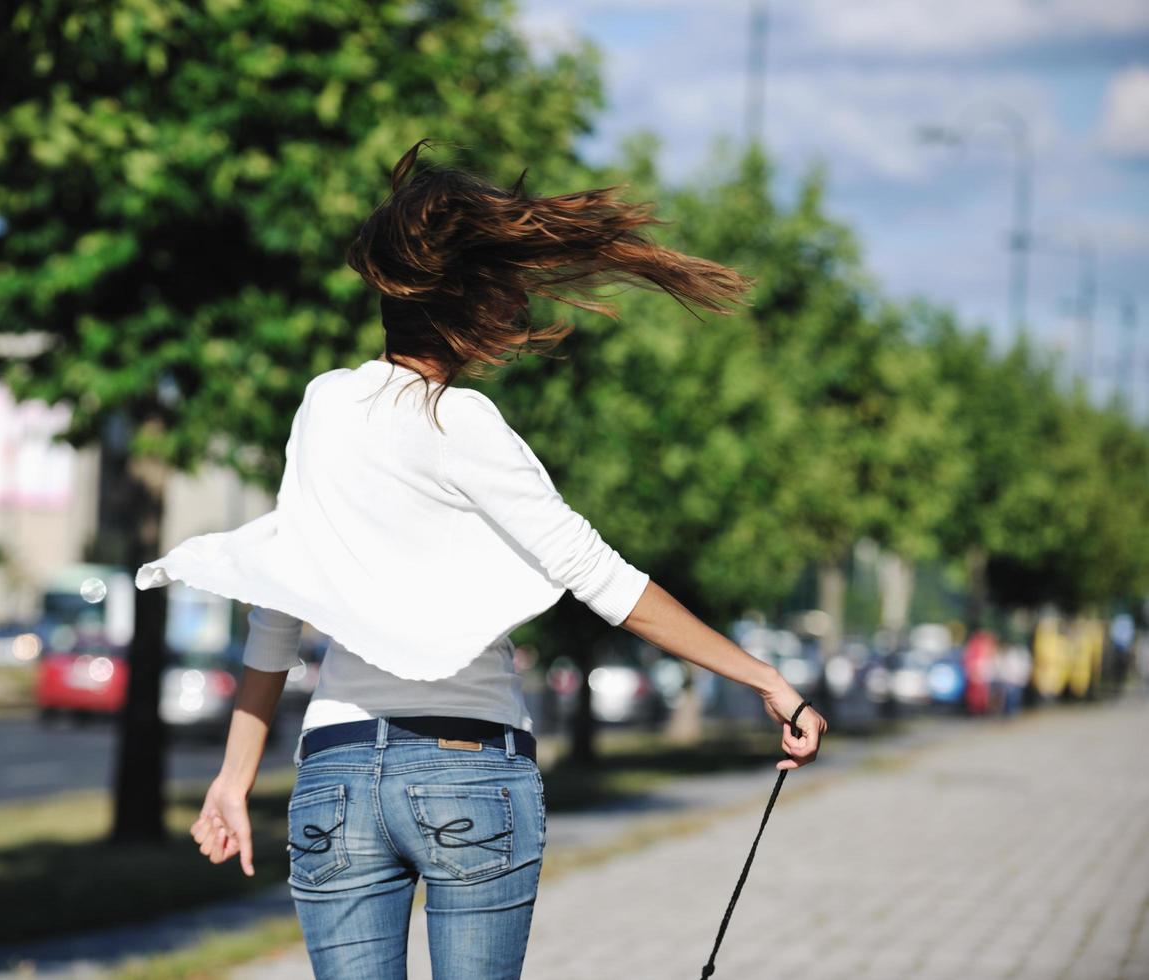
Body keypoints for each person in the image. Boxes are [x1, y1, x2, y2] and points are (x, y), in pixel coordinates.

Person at [135, 138, 828, 979]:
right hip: (466, 770)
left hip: (336, 777)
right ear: (472, 305)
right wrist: (768, 681)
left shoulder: (323, 405)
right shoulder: (463, 424)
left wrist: (233, 777)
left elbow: (277, 604)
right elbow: (603, 579)